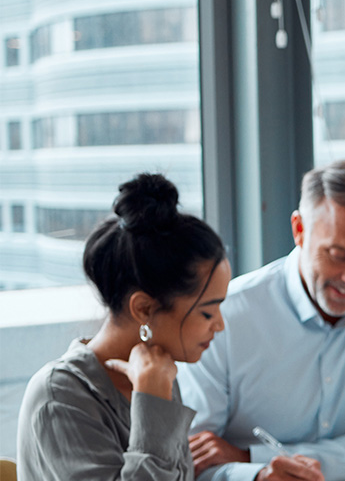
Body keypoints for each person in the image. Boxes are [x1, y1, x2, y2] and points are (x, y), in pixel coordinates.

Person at [178, 160, 345, 481]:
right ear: (299, 230)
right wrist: (257, 477)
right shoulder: (226, 313)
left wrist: (251, 457)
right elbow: (194, 458)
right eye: (338, 255)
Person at [17, 173, 233, 480]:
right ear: (144, 308)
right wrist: (154, 404)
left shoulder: (156, 372)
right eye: (207, 313)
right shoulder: (59, 398)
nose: (220, 326)